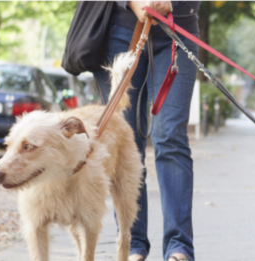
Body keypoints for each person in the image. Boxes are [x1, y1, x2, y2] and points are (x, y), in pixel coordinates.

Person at [92, 2, 200, 261]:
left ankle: (179, 247)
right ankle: (132, 245)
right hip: (122, 31)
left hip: (178, 27)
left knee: (170, 135)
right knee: (125, 143)